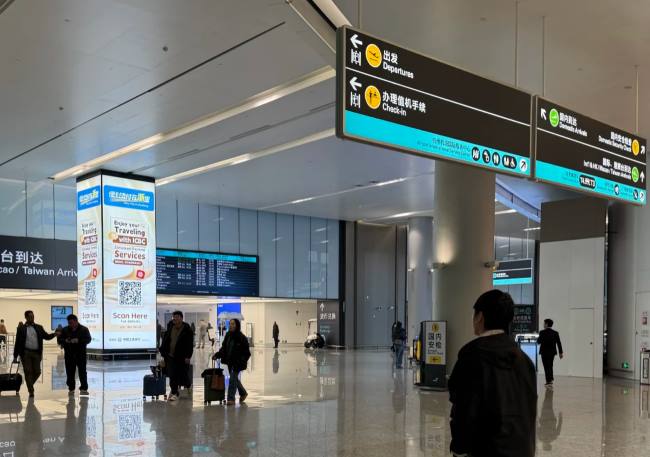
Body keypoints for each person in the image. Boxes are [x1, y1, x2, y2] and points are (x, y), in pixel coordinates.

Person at [448, 290, 536, 457]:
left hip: (485, 450)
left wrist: (459, 449)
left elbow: (464, 408)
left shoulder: (472, 354)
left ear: (480, 317)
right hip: (522, 450)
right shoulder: (524, 360)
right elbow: (529, 410)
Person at [13, 310, 59, 398]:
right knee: (28, 371)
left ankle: (29, 384)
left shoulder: (39, 327)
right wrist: (15, 356)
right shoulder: (21, 328)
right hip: (25, 353)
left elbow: (46, 336)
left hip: (37, 353)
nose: (32, 318)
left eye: (33, 316)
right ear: (26, 317)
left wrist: (54, 334)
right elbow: (17, 342)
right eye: (30, 316)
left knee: (37, 372)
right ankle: (31, 391)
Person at [213, 319, 251, 405]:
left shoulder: (242, 338)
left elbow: (247, 353)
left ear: (237, 325)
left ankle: (231, 399)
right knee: (234, 379)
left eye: (233, 324)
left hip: (237, 363)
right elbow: (224, 348)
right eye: (230, 324)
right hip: (230, 362)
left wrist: (241, 361)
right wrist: (217, 355)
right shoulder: (228, 335)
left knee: (232, 379)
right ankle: (243, 393)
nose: (231, 325)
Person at [159, 311, 194, 401]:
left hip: (182, 356)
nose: (175, 319)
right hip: (170, 356)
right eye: (174, 317)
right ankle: (175, 393)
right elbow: (165, 341)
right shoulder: (170, 327)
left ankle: (188, 385)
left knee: (183, 374)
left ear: (181, 318)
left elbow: (190, 344)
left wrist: (188, 356)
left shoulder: (187, 330)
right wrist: (163, 353)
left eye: (177, 317)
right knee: (172, 375)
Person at [58, 314, 92, 396]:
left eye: (72, 323)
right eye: (69, 323)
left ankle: (84, 388)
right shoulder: (65, 330)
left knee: (82, 372)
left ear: (76, 321)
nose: (70, 325)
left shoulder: (84, 329)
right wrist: (65, 340)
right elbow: (59, 340)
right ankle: (71, 388)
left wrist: (78, 340)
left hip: (81, 355)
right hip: (69, 355)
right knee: (70, 372)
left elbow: (88, 339)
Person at [537, 318, 564, 389]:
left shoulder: (542, 332)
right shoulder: (555, 333)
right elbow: (559, 343)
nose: (543, 324)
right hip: (552, 352)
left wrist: (539, 337)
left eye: (544, 323)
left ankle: (548, 382)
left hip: (544, 352)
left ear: (546, 324)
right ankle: (550, 380)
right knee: (550, 365)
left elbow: (538, 342)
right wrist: (561, 352)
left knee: (546, 367)